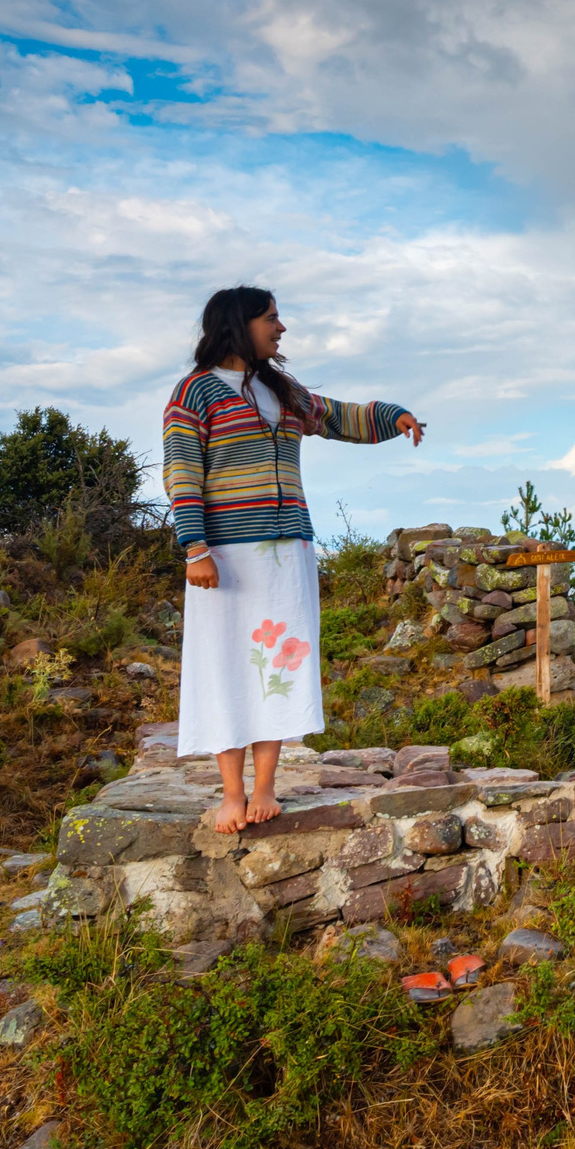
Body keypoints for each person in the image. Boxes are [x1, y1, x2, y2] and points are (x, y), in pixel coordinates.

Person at [163, 286, 424, 832]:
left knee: (277, 666)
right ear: (239, 324)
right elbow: (182, 473)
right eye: (271, 318)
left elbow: (338, 416)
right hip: (226, 554)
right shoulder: (194, 393)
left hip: (288, 553)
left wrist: (392, 416)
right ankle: (231, 793)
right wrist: (195, 548)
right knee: (226, 662)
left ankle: (265, 786)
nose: (280, 328)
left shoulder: (279, 389)